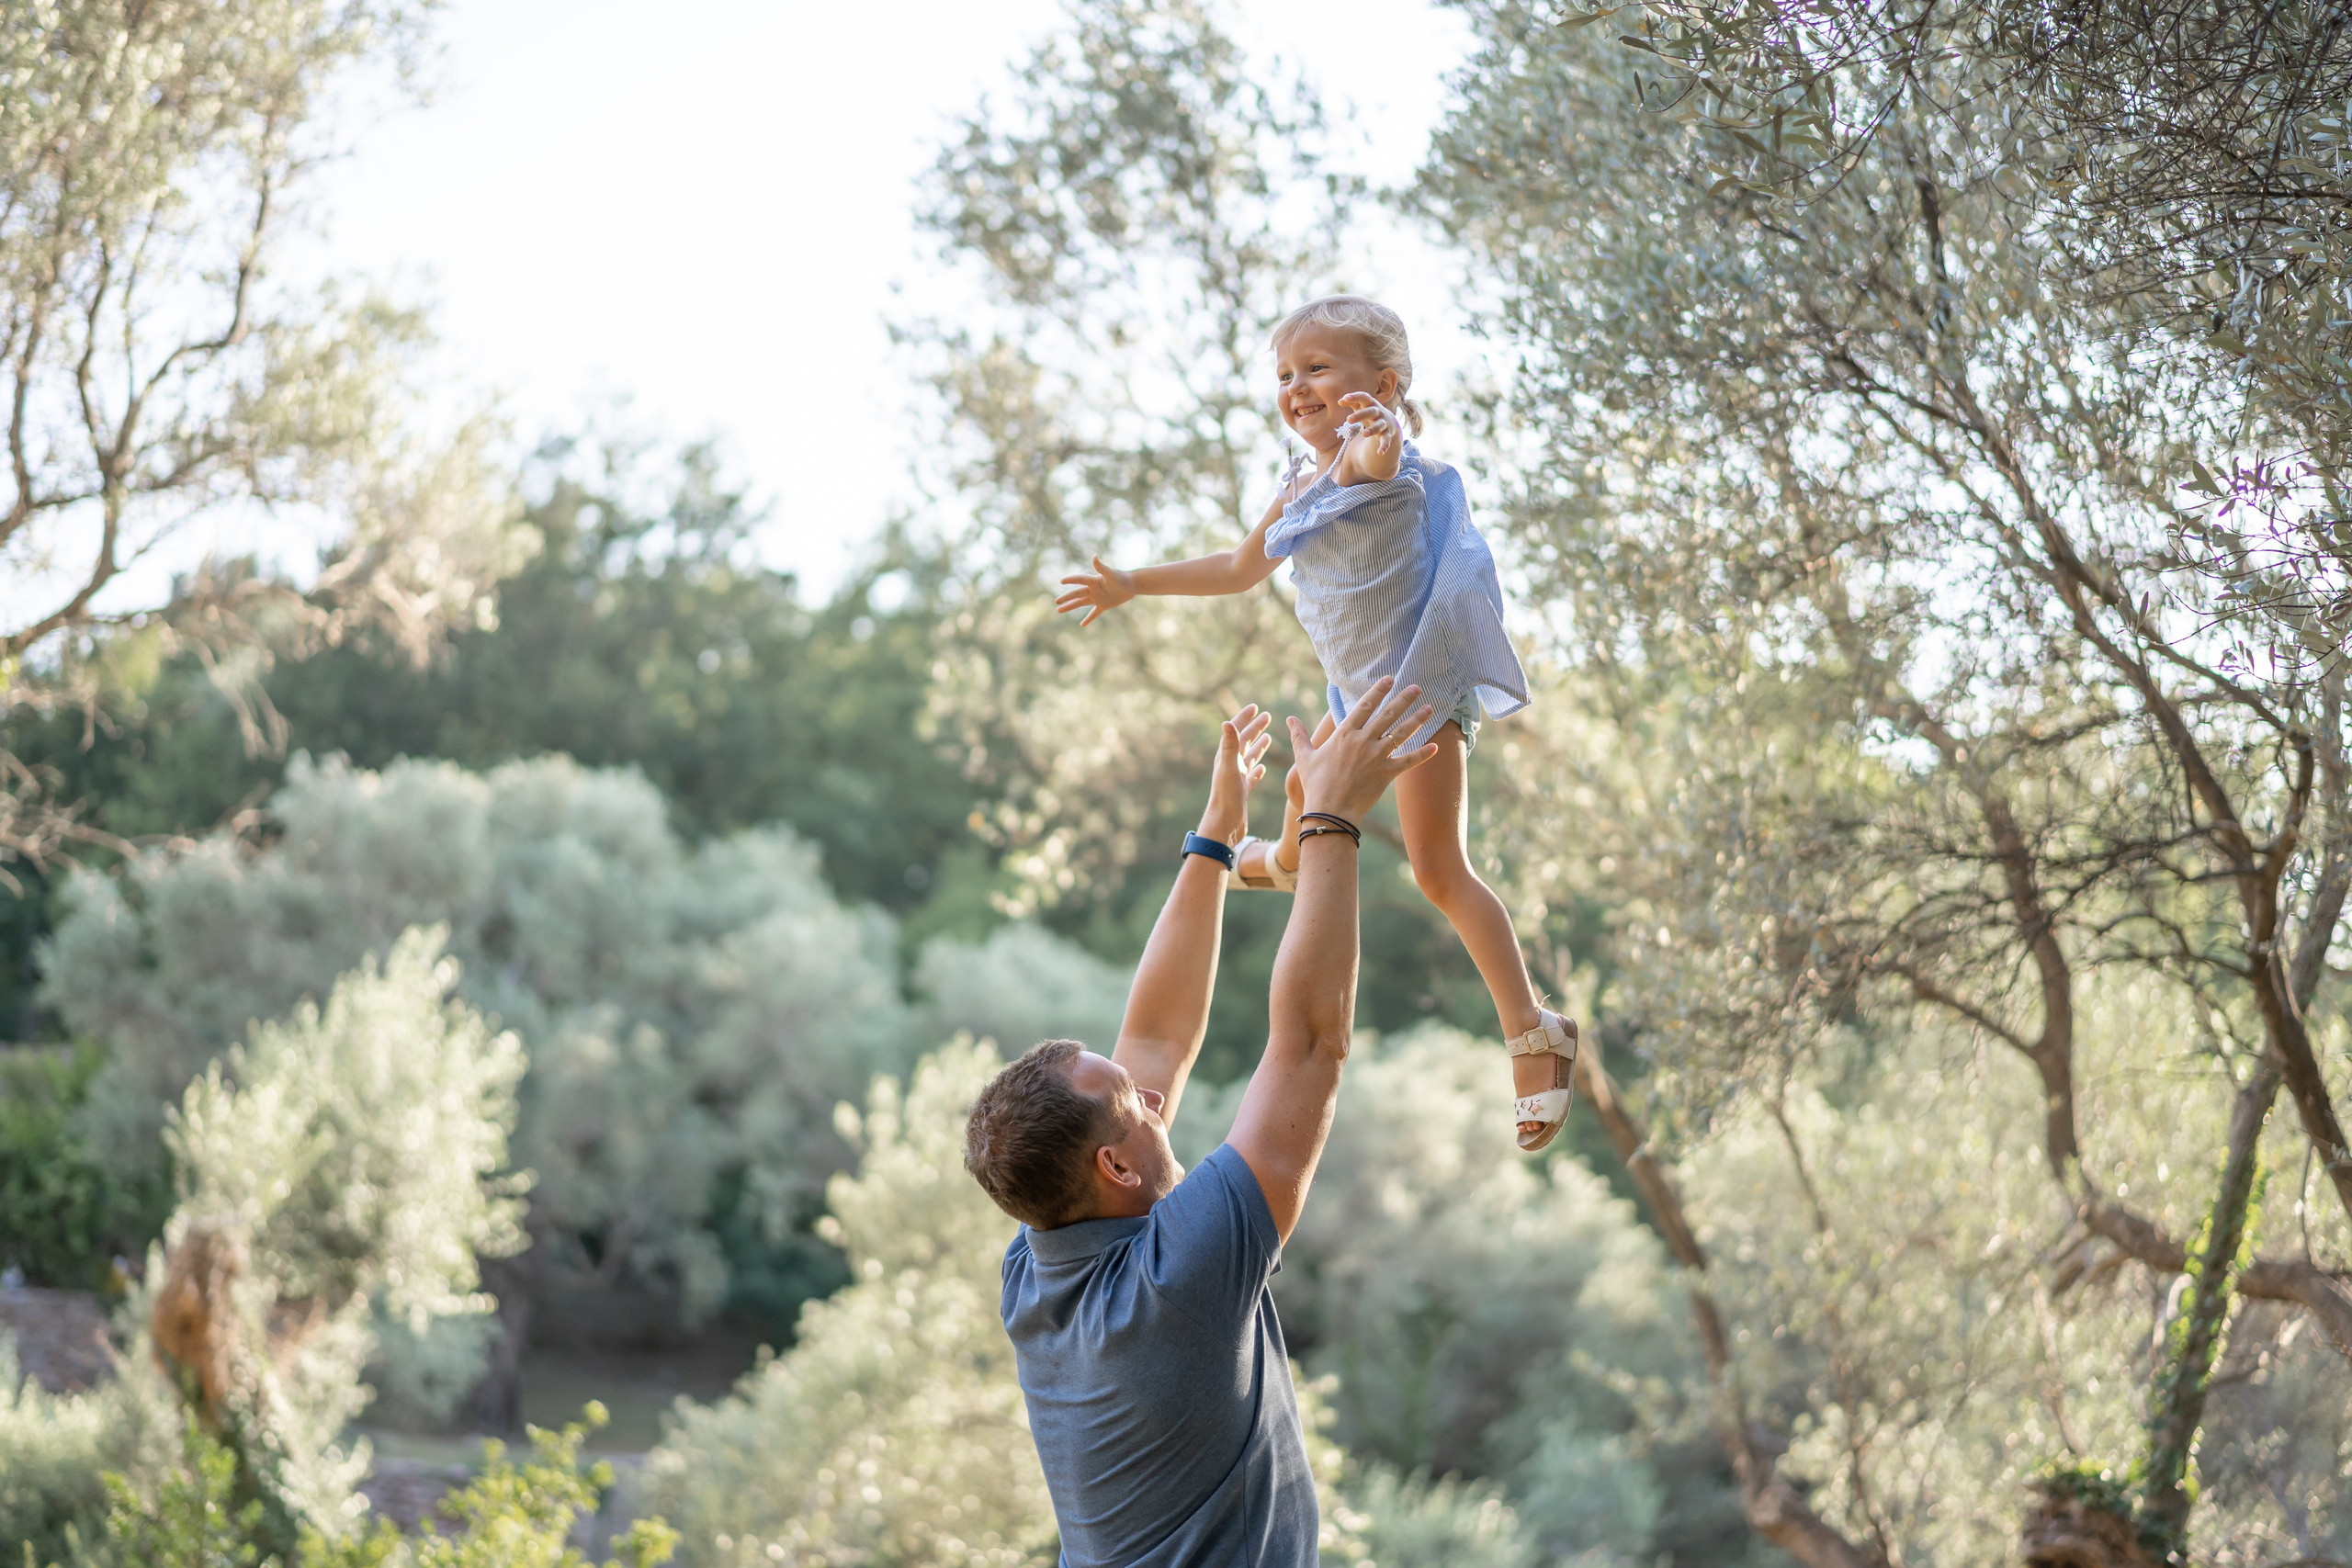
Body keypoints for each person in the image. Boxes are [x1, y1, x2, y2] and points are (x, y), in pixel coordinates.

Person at [1052, 294, 1578, 1151]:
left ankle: (1533, 1028)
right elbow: (1238, 567)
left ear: (1385, 385)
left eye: (1318, 369)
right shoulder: (1300, 484)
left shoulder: (1378, 457)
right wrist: (1133, 583)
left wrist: (1377, 431)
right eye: (1286, 375)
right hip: (1352, 703)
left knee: (1439, 869)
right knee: (1308, 794)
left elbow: (1377, 451)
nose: (1296, 388)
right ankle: (1277, 862)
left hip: (1415, 696)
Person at [964, 678, 1438, 1568]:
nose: (1154, 1096)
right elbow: (1309, 1047)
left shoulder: (1038, 1262)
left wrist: (1215, 835)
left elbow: (1154, 1038)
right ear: (1113, 1167)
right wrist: (1332, 820)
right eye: (1135, 1102)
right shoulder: (1180, 1280)